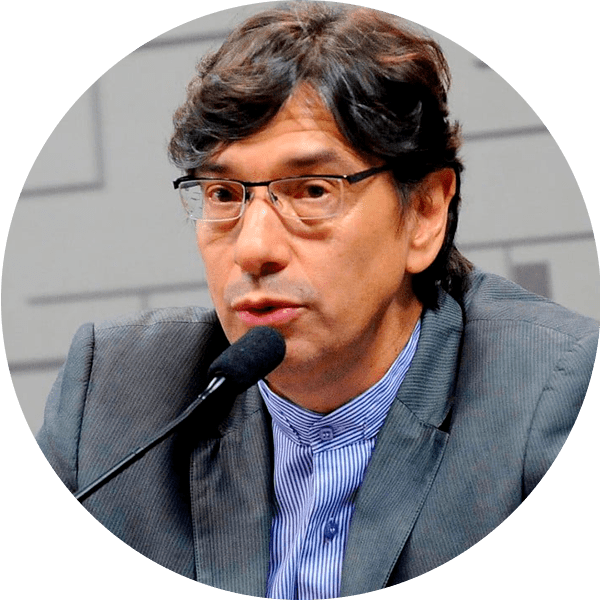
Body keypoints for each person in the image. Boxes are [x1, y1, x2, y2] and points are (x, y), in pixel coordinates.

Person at [37, 3, 598, 598]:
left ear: (424, 212)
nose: (253, 249)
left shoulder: (555, 396)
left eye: (311, 190)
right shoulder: (111, 400)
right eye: (224, 194)